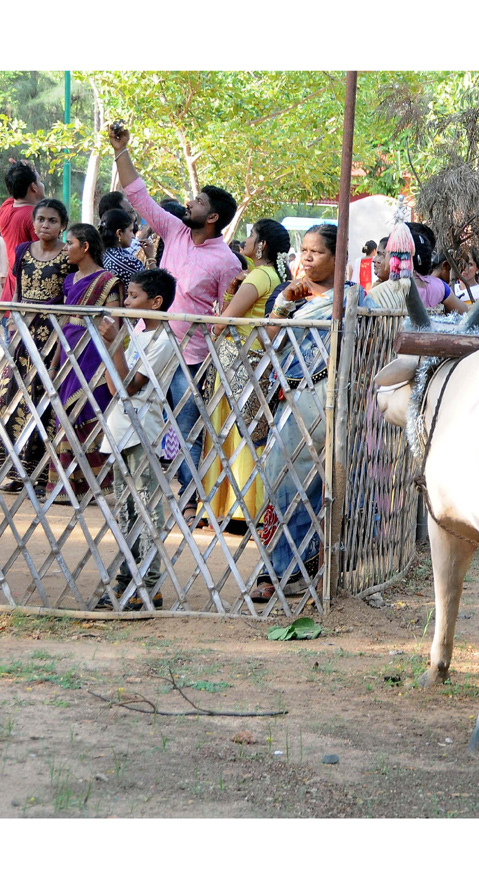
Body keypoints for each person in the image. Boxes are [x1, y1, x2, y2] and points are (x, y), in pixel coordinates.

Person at [108, 121, 242, 529]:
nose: (190, 202)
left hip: (190, 356)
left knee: (185, 429)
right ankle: (139, 491)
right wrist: (120, 151)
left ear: (213, 216)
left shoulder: (228, 262)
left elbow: (225, 312)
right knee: (136, 413)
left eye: (198, 200)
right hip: (146, 344)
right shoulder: (174, 231)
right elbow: (140, 197)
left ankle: (188, 501)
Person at [251, 224, 375, 603]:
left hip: (335, 398)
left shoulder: (355, 299)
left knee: (328, 486)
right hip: (292, 398)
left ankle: (311, 565)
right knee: (282, 481)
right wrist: (284, 304)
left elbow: (370, 349)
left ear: (339, 259)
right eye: (303, 250)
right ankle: (280, 567)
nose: (306, 257)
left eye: (316, 252)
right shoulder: (289, 295)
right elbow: (266, 341)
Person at [93, 268, 180, 611]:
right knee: (126, 509)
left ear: (155, 302)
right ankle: (129, 578)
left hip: (142, 429)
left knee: (146, 506)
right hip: (121, 429)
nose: (126, 302)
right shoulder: (141, 335)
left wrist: (114, 343)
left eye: (133, 296)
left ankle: (149, 583)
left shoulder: (163, 341)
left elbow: (124, 387)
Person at [202, 218, 291, 526]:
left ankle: (234, 508)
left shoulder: (257, 278)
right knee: (252, 430)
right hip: (255, 360)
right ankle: (248, 507)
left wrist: (216, 319)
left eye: (252, 235)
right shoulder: (269, 276)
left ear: (262, 244)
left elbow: (223, 322)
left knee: (235, 432)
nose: (246, 240)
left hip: (237, 360)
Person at [0, 198, 69, 498]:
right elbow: (16, 291)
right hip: (22, 335)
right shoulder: (21, 251)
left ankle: (40, 475)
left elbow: (68, 300)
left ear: (62, 225)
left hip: (51, 336)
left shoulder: (68, 256)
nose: (45, 225)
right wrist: (15, 325)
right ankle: (12, 471)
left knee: (43, 401)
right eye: (40, 219)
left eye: (52, 220)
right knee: (12, 398)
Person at [55, 223, 123, 497]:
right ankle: (69, 483)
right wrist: (55, 360)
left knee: (91, 406)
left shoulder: (108, 281)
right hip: (68, 349)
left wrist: (110, 353)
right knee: (66, 411)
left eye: (69, 243)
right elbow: (62, 321)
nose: (65, 249)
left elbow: (114, 323)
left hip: (94, 350)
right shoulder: (69, 280)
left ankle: (98, 482)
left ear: (84, 247)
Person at [2, 161, 45, 303]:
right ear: (33, 187)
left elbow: (16, 191)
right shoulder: (34, 217)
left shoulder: (6, 208)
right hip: (28, 298)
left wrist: (19, 172)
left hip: (9, 295)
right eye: (39, 181)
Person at [99, 208, 145, 287]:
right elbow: (150, 288)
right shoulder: (129, 262)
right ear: (119, 233)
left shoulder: (98, 254)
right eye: (130, 231)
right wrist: (151, 259)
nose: (133, 236)